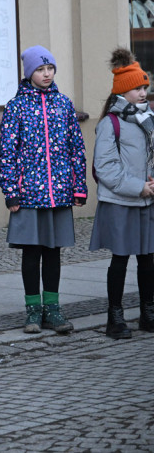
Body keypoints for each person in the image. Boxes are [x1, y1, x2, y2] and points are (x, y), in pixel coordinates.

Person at [0, 46, 86, 334]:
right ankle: (33, 310)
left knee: (53, 252)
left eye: (50, 69)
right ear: (29, 74)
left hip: (59, 192)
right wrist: (11, 190)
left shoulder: (64, 104)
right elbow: (7, 152)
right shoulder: (17, 107)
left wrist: (78, 186)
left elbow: (76, 148)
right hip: (28, 195)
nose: (46, 74)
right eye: (40, 69)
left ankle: (53, 308)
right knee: (32, 252)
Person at [89, 48, 154, 339]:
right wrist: (138, 187)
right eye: (137, 89)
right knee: (120, 259)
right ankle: (114, 317)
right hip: (121, 202)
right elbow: (106, 168)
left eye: (145, 88)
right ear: (123, 92)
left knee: (148, 259)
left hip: (147, 200)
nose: (143, 93)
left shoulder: (149, 120)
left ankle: (148, 312)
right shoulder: (109, 124)